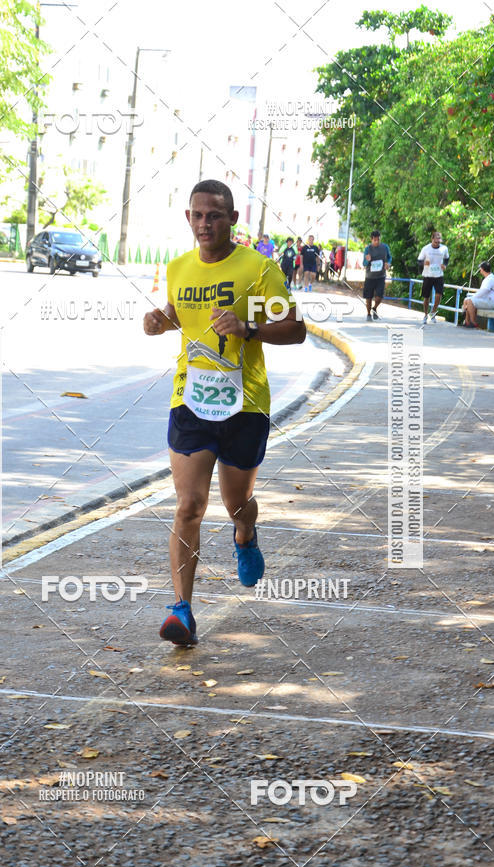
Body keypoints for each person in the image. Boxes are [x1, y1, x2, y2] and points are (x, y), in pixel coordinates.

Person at [143, 179, 306, 646]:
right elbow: (179, 313)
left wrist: (247, 327)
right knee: (189, 505)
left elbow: (295, 328)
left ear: (233, 219)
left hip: (245, 404)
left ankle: (245, 532)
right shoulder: (179, 267)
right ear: (188, 218)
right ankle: (181, 610)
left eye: (214, 215)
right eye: (197, 215)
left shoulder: (256, 269)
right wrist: (159, 321)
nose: (205, 224)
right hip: (191, 399)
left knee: (236, 503)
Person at [417, 231, 449, 324]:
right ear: (432, 239)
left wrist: (445, 265)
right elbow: (419, 261)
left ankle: (433, 312)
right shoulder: (426, 248)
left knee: (439, 294)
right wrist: (424, 263)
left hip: (439, 275)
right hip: (428, 275)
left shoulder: (444, 248)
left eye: (439, 241)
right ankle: (425, 315)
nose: (437, 243)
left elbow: (447, 258)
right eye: (435, 241)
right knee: (426, 297)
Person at [363, 230, 392, 320]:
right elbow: (364, 263)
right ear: (371, 240)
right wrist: (367, 260)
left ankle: (374, 308)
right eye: (375, 240)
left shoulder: (385, 247)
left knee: (379, 296)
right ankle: (368, 314)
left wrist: (388, 263)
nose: (377, 242)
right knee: (368, 297)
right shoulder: (368, 249)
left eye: (378, 240)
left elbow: (389, 257)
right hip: (370, 277)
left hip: (381, 276)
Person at [462, 261, 494, 327]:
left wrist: (473, 297)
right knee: (466, 300)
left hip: (491, 302)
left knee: (470, 301)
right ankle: (467, 322)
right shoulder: (488, 278)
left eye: (480, 268)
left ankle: (473, 323)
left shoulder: (490, 279)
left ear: (482, 269)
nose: (480, 270)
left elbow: (484, 291)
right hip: (487, 300)